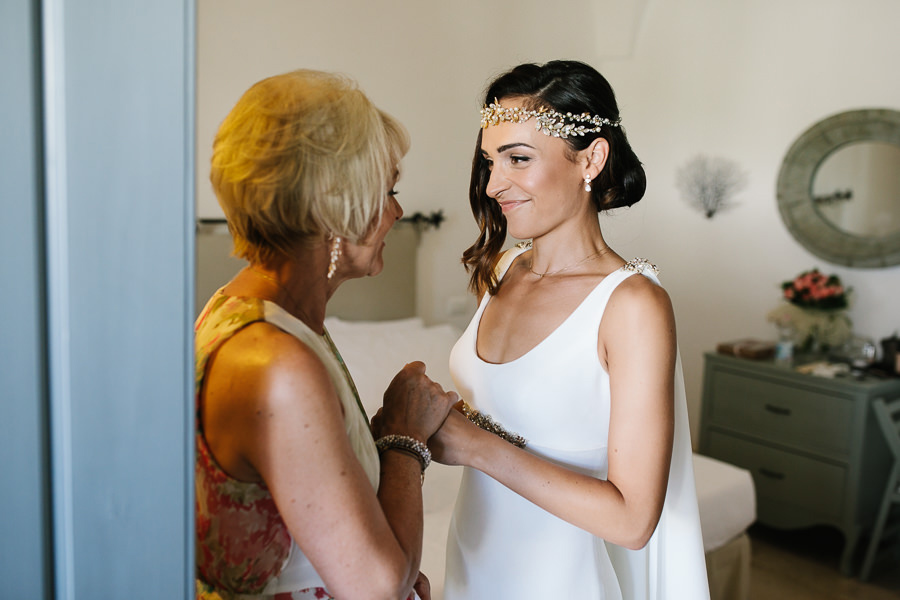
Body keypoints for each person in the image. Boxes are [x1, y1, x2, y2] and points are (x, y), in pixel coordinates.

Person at [429, 60, 710, 599]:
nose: (493, 185)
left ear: (592, 158)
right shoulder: (503, 269)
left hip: (564, 581)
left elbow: (632, 521)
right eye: (490, 161)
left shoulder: (631, 305)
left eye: (517, 159)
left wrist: (474, 446)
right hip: (475, 560)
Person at [194, 69, 457, 600]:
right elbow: (375, 587)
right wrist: (405, 440)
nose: (398, 212)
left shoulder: (262, 317)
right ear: (335, 203)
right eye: (388, 190)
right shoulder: (274, 362)